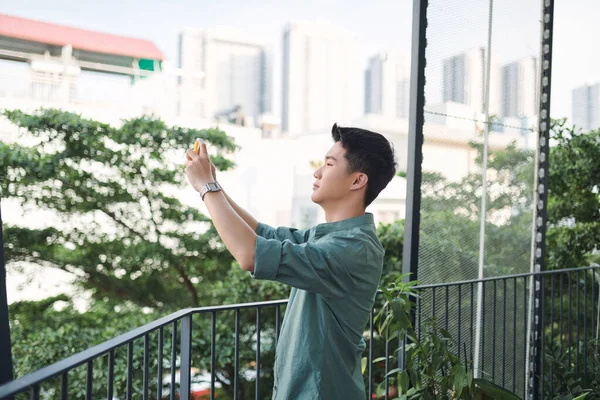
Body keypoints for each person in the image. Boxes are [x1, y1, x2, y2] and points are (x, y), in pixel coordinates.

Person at [184, 123, 397, 399]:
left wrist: (206, 187)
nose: (317, 172)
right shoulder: (329, 237)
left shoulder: (353, 248)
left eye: (329, 165)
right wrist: (215, 186)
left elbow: (250, 255)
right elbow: (261, 234)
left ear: (357, 181)